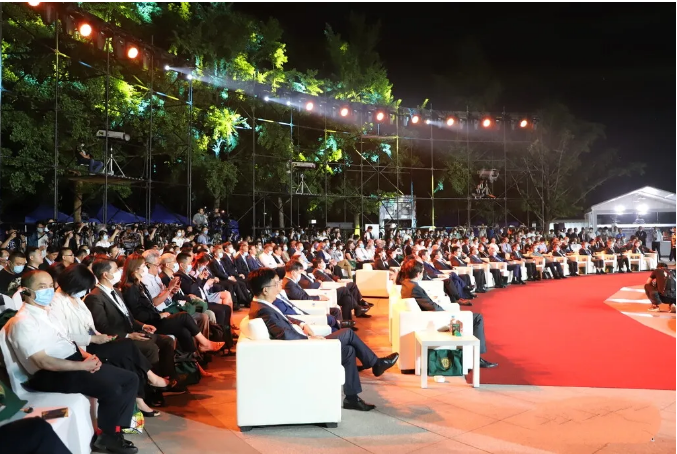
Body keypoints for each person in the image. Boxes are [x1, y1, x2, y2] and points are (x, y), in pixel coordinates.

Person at [5, 270, 139, 454]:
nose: (48, 291)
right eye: (42, 287)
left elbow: (68, 340)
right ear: (26, 291)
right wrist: (82, 366)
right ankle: (109, 437)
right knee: (112, 388)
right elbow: (42, 361)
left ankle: (112, 433)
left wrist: (86, 356)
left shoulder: (47, 312)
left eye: (50, 286)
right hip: (50, 374)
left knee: (130, 379)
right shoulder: (23, 322)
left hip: (72, 362)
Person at [248, 267, 399, 411]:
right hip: (301, 350)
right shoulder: (263, 310)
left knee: (348, 351)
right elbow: (285, 335)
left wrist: (302, 324)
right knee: (347, 333)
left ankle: (352, 399)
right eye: (276, 284)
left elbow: (285, 319)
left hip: (301, 345)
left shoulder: (263, 306)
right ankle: (376, 363)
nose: (279, 287)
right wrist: (309, 339)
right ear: (265, 290)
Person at [48, 264, 168, 416]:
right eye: (83, 288)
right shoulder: (56, 302)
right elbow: (63, 335)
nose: (85, 291)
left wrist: (101, 337)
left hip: (93, 340)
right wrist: (93, 338)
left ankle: (141, 395)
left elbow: (89, 325)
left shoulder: (75, 297)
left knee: (126, 348)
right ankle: (148, 384)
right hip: (82, 347)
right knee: (126, 350)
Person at [86, 258, 182, 393]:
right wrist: (128, 336)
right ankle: (152, 390)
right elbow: (103, 327)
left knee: (166, 341)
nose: (119, 272)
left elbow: (128, 316)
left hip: (132, 332)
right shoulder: (95, 297)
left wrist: (143, 326)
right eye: (115, 270)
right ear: (105, 275)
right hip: (119, 338)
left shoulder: (116, 291)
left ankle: (170, 378)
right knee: (150, 347)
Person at [399, 260, 497, 368]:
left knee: (471, 316)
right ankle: (476, 357)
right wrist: (447, 314)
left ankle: (473, 356)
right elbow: (432, 307)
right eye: (422, 272)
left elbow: (427, 304)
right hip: (436, 319)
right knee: (477, 318)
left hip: (429, 316)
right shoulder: (414, 288)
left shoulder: (406, 284)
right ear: (418, 274)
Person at [119, 254, 224, 354]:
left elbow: (150, 304)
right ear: (135, 269)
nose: (145, 268)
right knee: (184, 316)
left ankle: (192, 361)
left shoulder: (139, 284)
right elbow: (138, 313)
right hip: (150, 323)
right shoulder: (130, 288)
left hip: (156, 316)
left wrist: (170, 292)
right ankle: (205, 343)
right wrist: (158, 315)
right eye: (143, 266)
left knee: (184, 331)